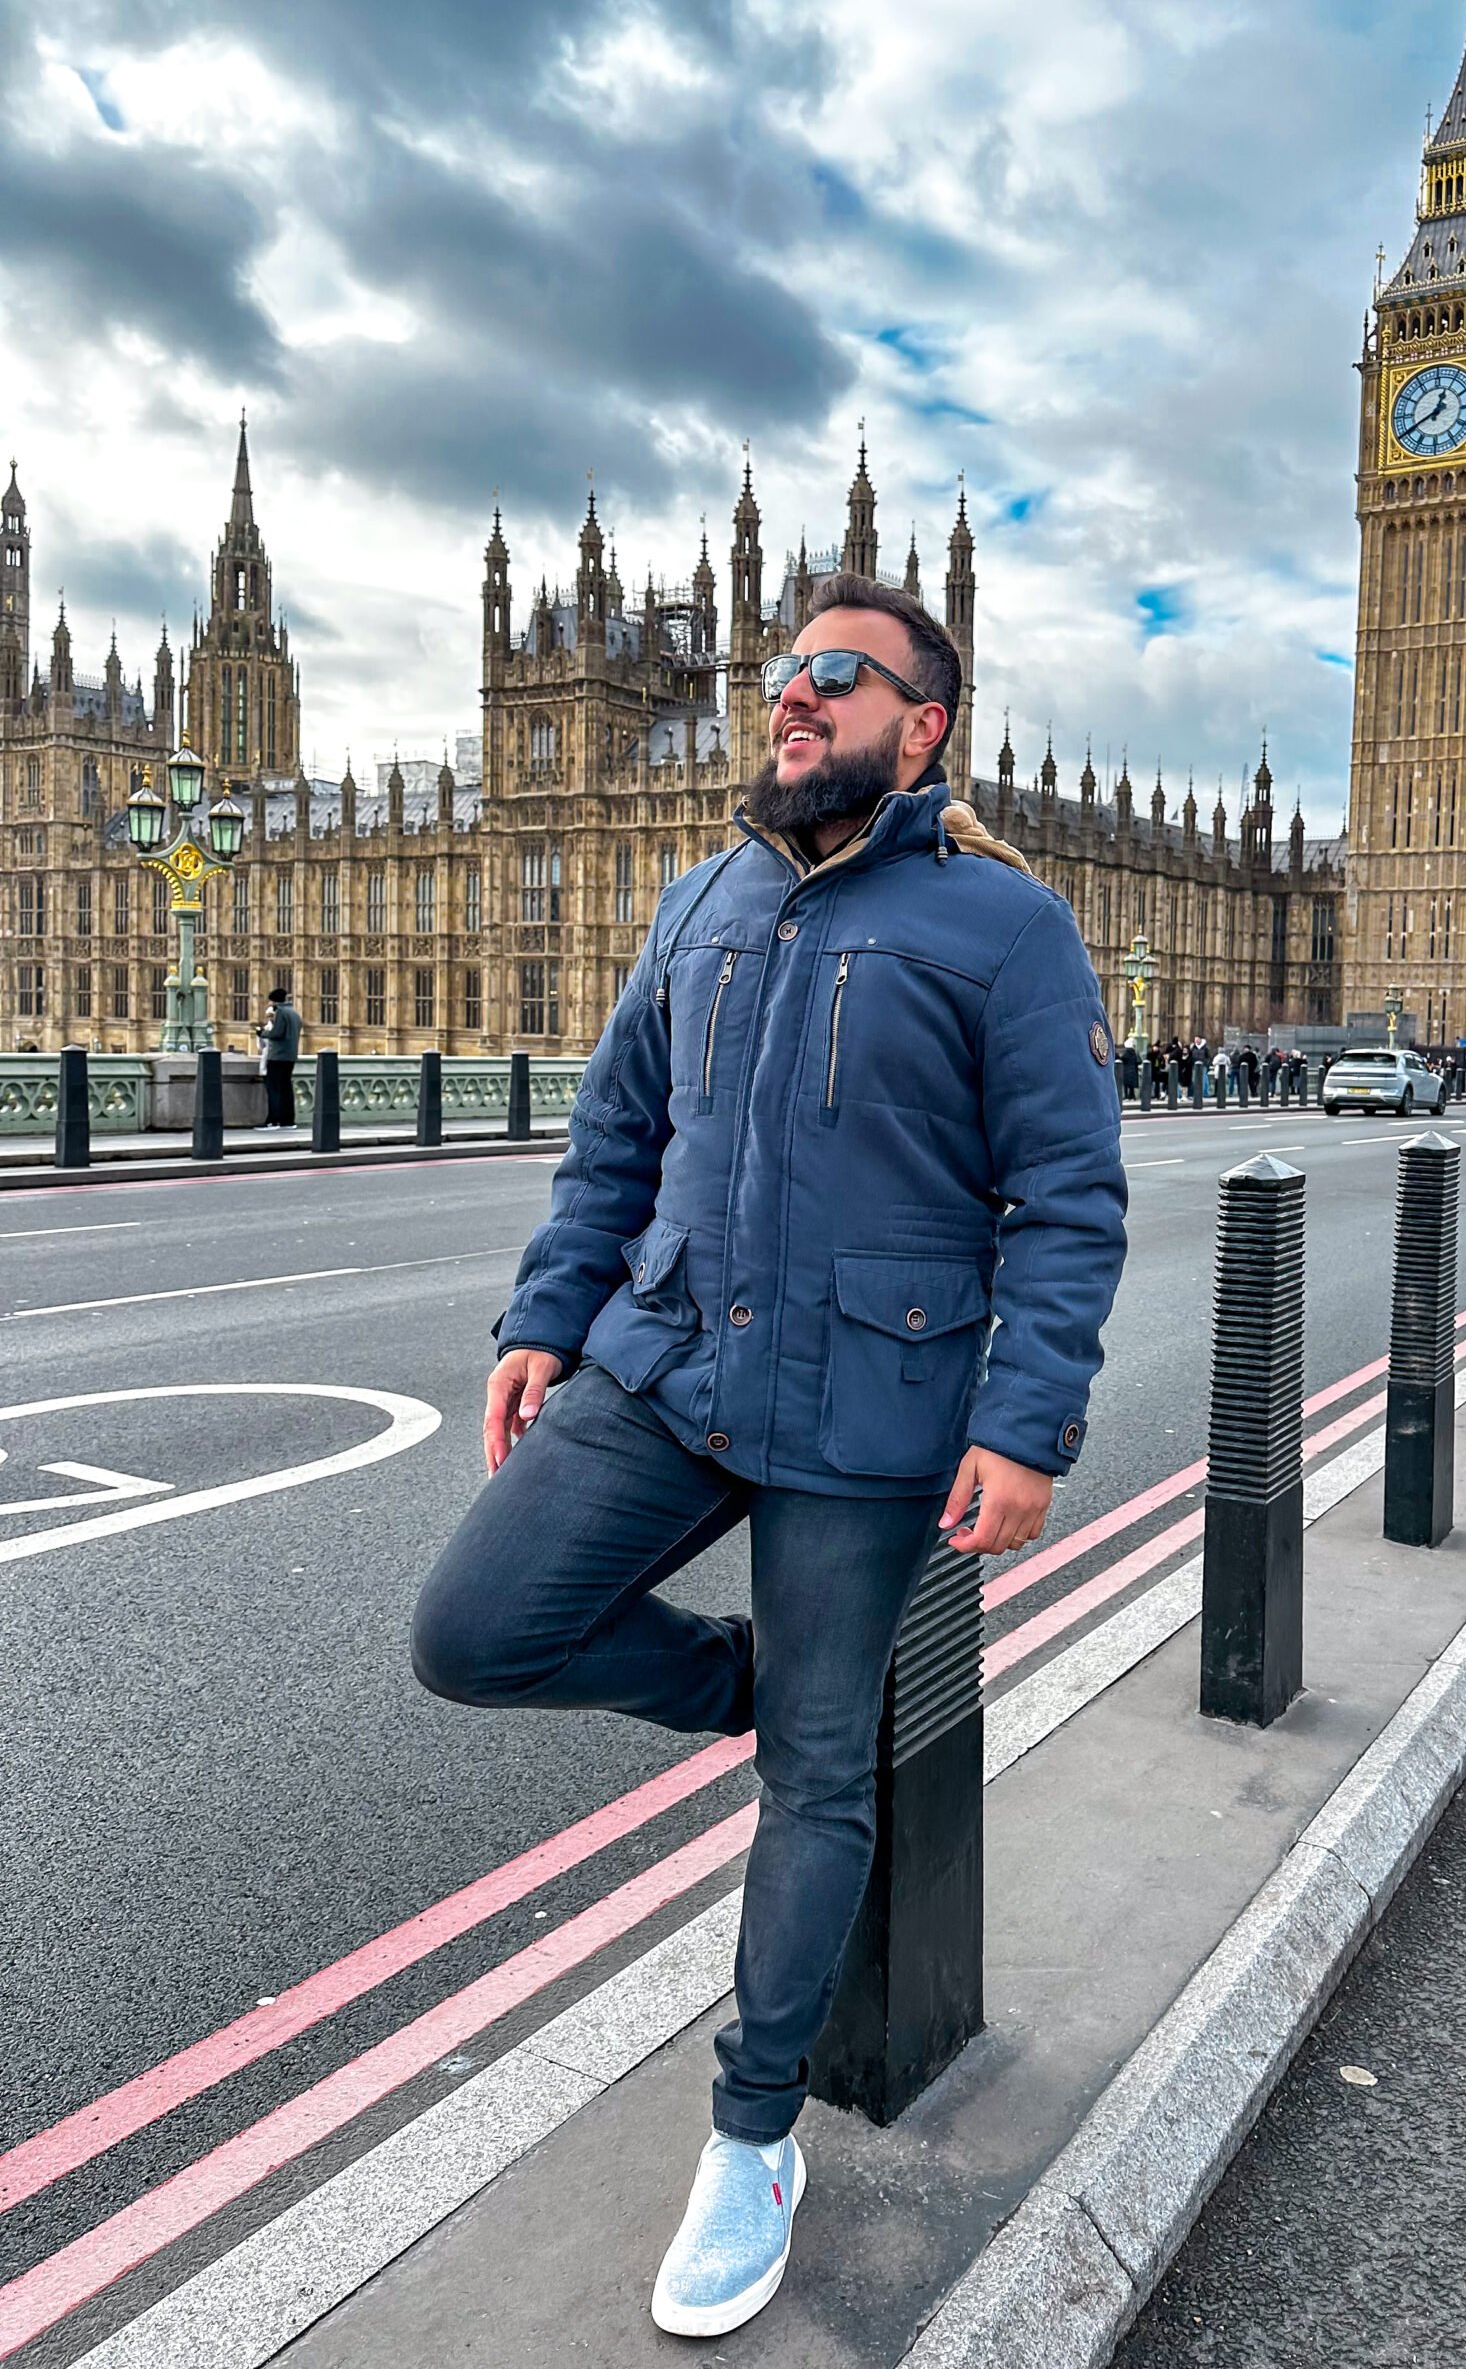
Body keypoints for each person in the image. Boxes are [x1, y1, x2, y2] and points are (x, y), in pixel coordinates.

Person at [409, 571, 1128, 2340]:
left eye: (833, 677)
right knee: (477, 1629)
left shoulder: (1000, 925)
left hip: (872, 1408)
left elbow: (1068, 1201)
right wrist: (543, 1318)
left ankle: (751, 2134)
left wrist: (1022, 1427)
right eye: (780, 674)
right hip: (670, 1364)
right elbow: (612, 1138)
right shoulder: (710, 894)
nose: (789, 699)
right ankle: (757, 1681)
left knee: (821, 1784)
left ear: (921, 724)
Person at [256, 986, 301, 1126]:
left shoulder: (280, 1012)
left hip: (277, 1056)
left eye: (270, 1002)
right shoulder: (294, 1013)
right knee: (286, 1089)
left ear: (274, 1001)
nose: (269, 1004)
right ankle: (288, 1120)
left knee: (274, 1088)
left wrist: (261, 1033)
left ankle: (274, 1120)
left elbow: (277, 1033)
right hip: (290, 1056)